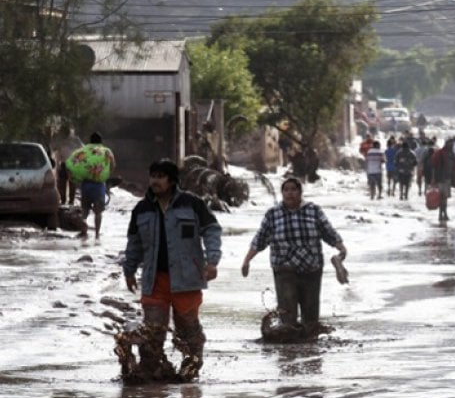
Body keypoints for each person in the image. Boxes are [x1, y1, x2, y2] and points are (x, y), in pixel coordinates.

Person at [122, 159, 222, 382]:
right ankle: (149, 373)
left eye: (160, 176)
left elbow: (212, 230)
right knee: (152, 332)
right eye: (153, 176)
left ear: (172, 180)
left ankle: (191, 370)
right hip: (154, 281)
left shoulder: (192, 204)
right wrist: (128, 270)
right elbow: (134, 243)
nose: (155, 181)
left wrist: (212, 261)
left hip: (187, 280)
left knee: (188, 331)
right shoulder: (142, 209)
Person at [241, 177, 347, 335]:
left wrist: (341, 249)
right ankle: (289, 355)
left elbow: (329, 233)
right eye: (286, 190)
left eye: (293, 189)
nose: (289, 193)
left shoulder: (313, 210)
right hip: (284, 270)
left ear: (300, 192)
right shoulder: (273, 214)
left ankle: (311, 354)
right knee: (287, 316)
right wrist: (247, 260)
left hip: (311, 269)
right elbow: (260, 239)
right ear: (282, 193)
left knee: (310, 317)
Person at [77, 132, 116, 238]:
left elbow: (78, 164)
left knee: (84, 210)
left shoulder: (84, 150)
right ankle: (97, 234)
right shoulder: (107, 151)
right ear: (101, 141)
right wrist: (105, 175)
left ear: (90, 141)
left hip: (86, 185)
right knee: (98, 212)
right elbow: (113, 165)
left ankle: (83, 231)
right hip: (99, 185)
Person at [51, 127, 83, 205]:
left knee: (68, 183)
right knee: (63, 183)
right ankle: (65, 200)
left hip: (70, 164)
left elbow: (82, 149)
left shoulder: (75, 140)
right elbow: (54, 148)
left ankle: (68, 200)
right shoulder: (63, 140)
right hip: (65, 163)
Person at [431, 138, 455, 222]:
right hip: (440, 179)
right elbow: (433, 165)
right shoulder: (439, 153)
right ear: (446, 144)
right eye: (450, 144)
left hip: (448, 179)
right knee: (441, 197)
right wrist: (433, 178)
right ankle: (441, 214)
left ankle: (445, 213)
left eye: (452, 145)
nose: (452, 146)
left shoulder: (452, 154)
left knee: (445, 198)